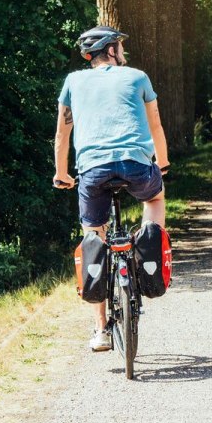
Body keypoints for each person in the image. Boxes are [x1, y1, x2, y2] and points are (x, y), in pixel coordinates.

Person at [52, 24, 170, 352]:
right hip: (136, 166)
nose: (123, 51)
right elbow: (155, 125)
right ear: (112, 50)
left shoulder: (73, 82)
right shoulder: (137, 76)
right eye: (119, 45)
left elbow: (63, 135)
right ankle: (149, 248)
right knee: (156, 197)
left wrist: (62, 173)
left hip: (92, 171)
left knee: (94, 234)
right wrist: (162, 163)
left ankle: (100, 329)